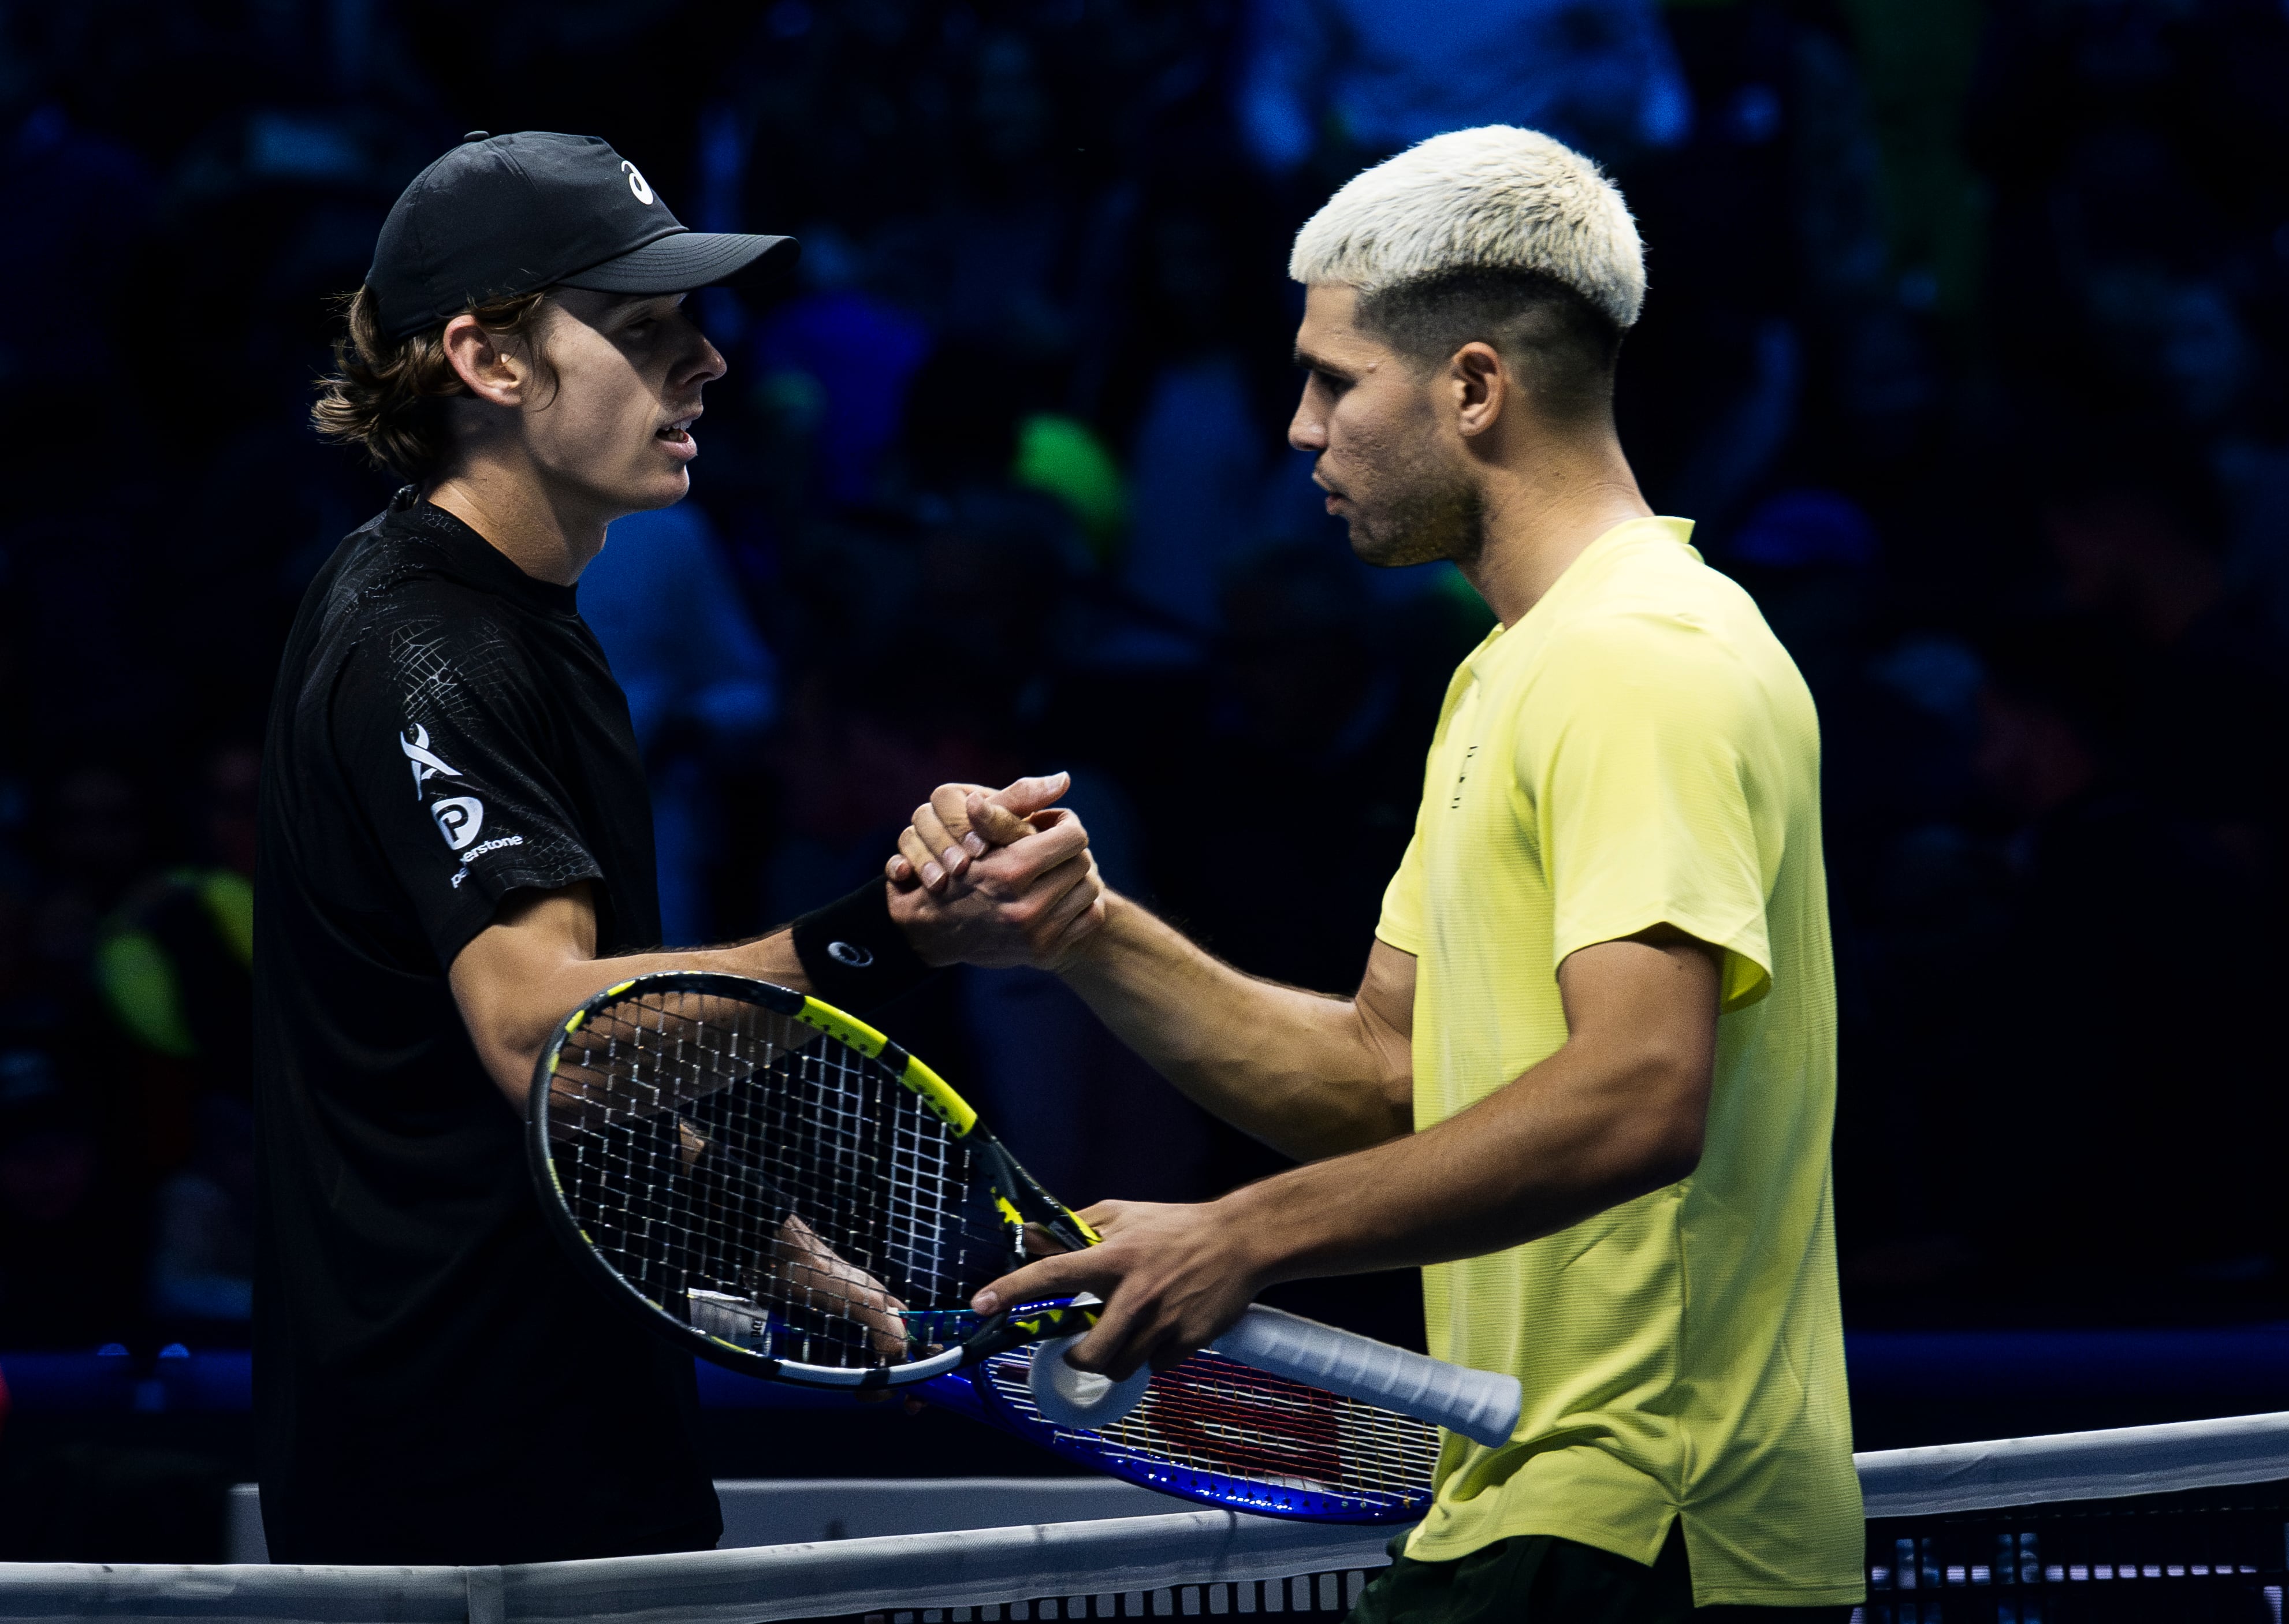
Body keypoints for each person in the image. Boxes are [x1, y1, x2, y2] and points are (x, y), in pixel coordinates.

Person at [895, 127, 1860, 1619]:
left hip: (1645, 1516)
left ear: (1474, 385)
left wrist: (1248, 1231)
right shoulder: (1513, 672)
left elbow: (1641, 1089)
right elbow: (1387, 1071)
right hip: (1531, 1504)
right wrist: (1080, 927)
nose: (1297, 428)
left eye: (1335, 379)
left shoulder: (1641, 658)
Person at [260, 132, 1104, 1566]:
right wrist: (881, 933)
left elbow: (567, 1090)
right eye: (646, 331)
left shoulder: (515, 617)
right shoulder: (428, 648)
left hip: (555, 1444)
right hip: (464, 1493)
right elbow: (554, 1047)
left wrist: (769, 1243)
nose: (706, 362)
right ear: (489, 360)